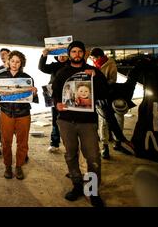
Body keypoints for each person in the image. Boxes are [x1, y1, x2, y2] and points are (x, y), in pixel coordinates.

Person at [52, 41, 108, 207]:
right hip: (66, 121)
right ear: (69, 54)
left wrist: (95, 77)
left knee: (93, 157)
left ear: (84, 54)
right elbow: (54, 93)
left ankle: (92, 190)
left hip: (87, 122)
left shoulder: (94, 72)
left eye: (79, 52)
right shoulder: (62, 73)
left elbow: (105, 92)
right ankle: (77, 185)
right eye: (73, 51)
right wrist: (56, 104)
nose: (76, 54)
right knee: (70, 155)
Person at [0, 50, 38, 180]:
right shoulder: (0, 78)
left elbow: (32, 99)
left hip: (23, 114)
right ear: (8, 61)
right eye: (12, 61)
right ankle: (7, 166)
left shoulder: (27, 78)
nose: (15, 64)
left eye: (18, 62)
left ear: (21, 63)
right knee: (6, 142)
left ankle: (19, 166)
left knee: (22, 142)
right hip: (6, 113)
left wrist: (34, 93)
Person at [38, 49, 69, 153]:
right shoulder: (54, 65)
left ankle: (70, 144)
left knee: (68, 120)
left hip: (68, 96)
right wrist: (44, 55)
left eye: (64, 55)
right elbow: (41, 68)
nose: (62, 57)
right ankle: (54, 143)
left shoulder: (72, 65)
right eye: (59, 55)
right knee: (55, 120)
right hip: (54, 96)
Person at [90, 47, 117, 159]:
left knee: (104, 120)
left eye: (93, 57)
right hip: (92, 95)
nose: (92, 59)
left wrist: (102, 84)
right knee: (95, 119)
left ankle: (106, 145)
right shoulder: (93, 64)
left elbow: (113, 80)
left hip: (104, 95)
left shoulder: (110, 64)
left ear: (99, 57)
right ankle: (102, 138)